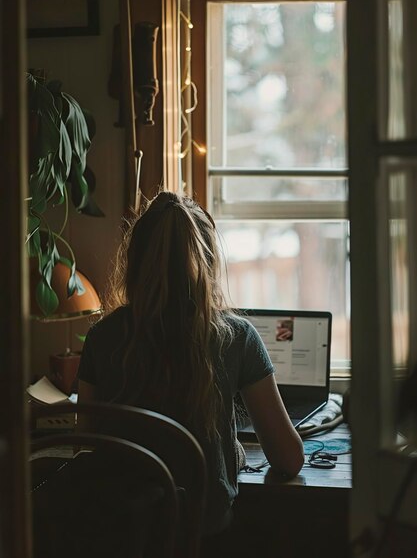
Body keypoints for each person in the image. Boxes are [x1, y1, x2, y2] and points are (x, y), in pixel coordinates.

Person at [77, 190, 304, 547]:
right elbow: (288, 459)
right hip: (202, 536)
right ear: (208, 263)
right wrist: (231, 452)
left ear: (134, 261)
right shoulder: (236, 336)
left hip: (122, 537)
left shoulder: (102, 337)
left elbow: (87, 439)